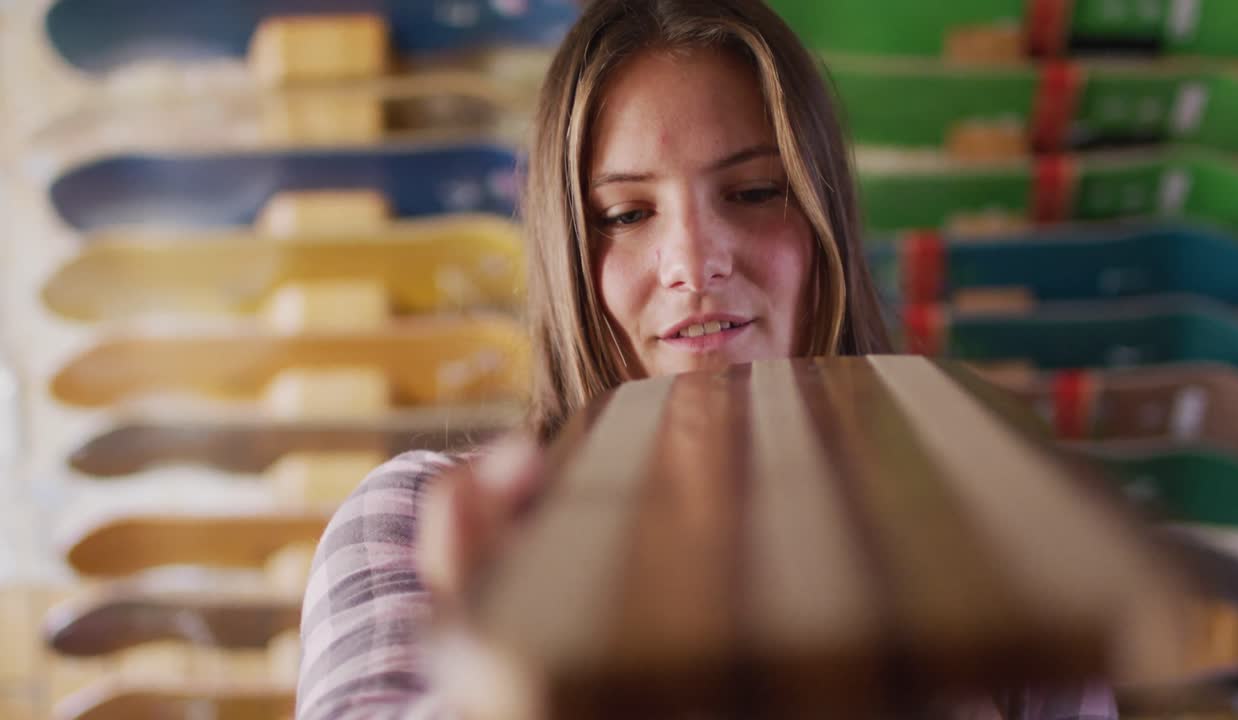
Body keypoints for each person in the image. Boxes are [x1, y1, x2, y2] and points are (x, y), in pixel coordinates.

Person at [296, 1, 1119, 718]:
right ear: (564, 252)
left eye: (756, 192)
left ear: (825, 224)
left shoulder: (1000, 549)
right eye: (625, 213)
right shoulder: (412, 522)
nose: (695, 260)